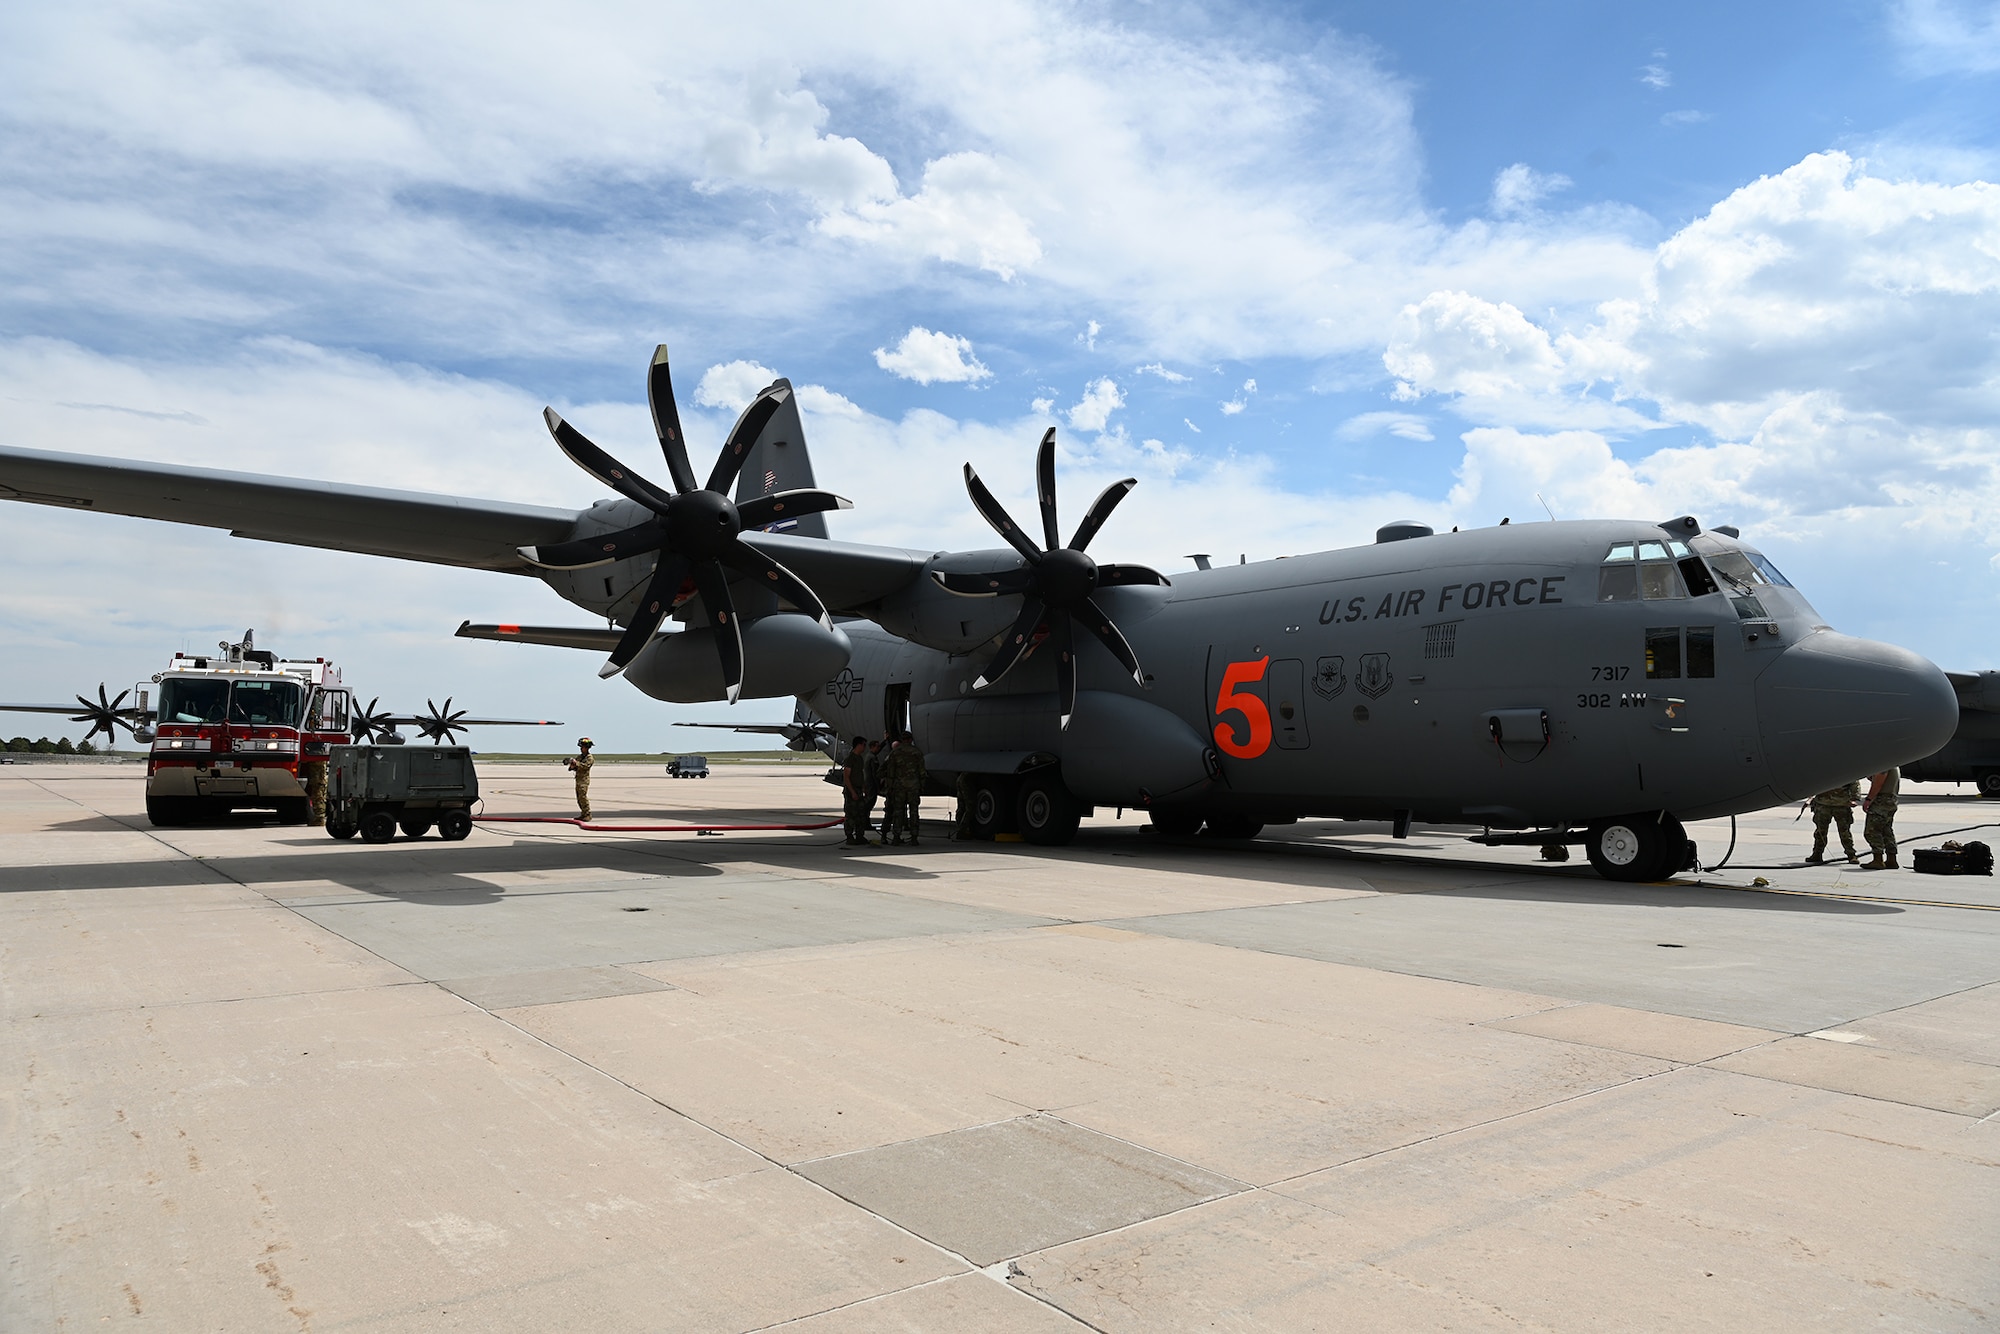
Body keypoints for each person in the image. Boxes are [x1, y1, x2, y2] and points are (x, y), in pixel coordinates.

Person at [1805, 780, 1861, 865]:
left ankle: (1851, 854)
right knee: (1820, 831)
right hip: (1823, 803)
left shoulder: (1845, 768)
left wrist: (1854, 798)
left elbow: (1854, 781)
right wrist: (1810, 798)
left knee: (1844, 831)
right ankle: (1817, 853)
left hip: (1841, 804)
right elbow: (1813, 782)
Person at [1860, 765, 1901, 870]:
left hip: (1881, 800)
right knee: (1886, 830)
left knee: (1872, 831)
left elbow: (1879, 780)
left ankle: (1878, 860)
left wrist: (1869, 799)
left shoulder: (1884, 762)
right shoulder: (1895, 763)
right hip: (1891, 799)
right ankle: (1891, 859)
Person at [893, 730, 926, 845]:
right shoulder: (917, 753)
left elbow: (890, 771)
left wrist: (891, 785)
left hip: (899, 786)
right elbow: (922, 772)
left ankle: (896, 836)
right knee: (914, 811)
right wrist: (922, 786)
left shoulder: (896, 752)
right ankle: (914, 837)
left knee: (898, 811)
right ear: (911, 740)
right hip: (913, 786)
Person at [841, 737, 871, 846]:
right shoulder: (851, 758)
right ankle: (849, 836)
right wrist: (852, 792)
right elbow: (846, 777)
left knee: (861, 815)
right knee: (851, 815)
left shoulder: (860, 758)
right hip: (851, 790)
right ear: (858, 745)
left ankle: (859, 836)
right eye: (863, 745)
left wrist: (863, 787)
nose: (864, 747)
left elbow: (860, 775)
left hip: (858, 789)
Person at [563, 737, 594, 821]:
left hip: (584, 780)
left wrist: (575, 763)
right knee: (579, 798)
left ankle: (587, 814)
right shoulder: (580, 757)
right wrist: (571, 765)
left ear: (587, 748)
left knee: (583, 797)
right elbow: (574, 767)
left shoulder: (589, 758)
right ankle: (583, 814)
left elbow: (585, 766)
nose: (581, 749)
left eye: (582, 747)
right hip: (578, 780)